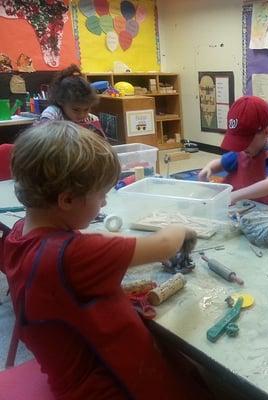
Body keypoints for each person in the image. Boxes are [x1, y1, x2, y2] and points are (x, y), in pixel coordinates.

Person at [1, 121, 211, 399]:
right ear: (66, 200)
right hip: (109, 386)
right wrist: (181, 230)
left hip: (72, 373)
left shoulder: (17, 236)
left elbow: (60, 294)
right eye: (101, 195)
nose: (104, 204)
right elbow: (162, 245)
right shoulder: (73, 255)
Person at [199, 95, 268, 209]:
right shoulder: (242, 153)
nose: (241, 147)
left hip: (266, 217)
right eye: (238, 141)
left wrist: (235, 195)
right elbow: (219, 163)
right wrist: (208, 168)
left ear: (267, 132)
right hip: (241, 211)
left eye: (246, 141)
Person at [39, 64, 107, 139]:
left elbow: (101, 144)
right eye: (76, 110)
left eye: (86, 109)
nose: (82, 115)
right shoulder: (52, 114)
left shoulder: (91, 119)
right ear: (61, 101)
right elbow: (43, 142)